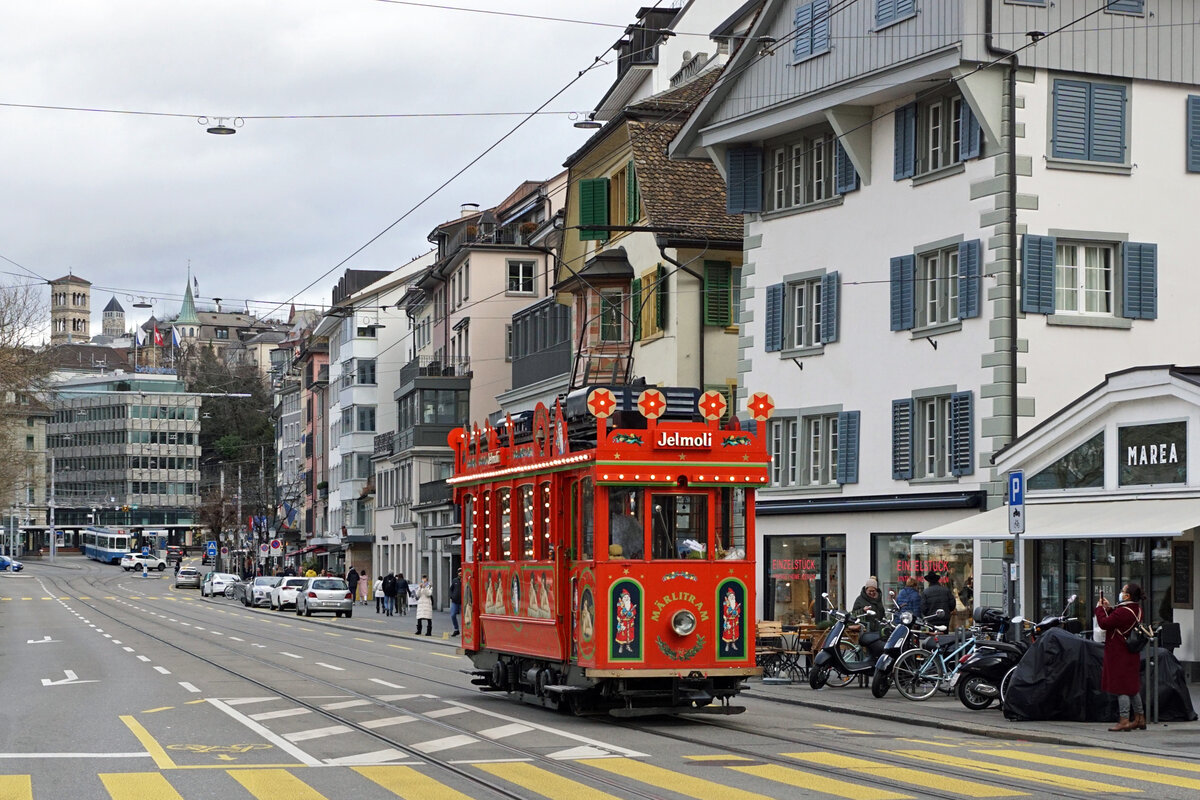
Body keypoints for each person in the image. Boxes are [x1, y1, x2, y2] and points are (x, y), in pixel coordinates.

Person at [1096, 582, 1146, 732]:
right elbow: (1119, 620)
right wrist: (1109, 609)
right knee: (1132, 687)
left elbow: (1104, 623)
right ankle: (1140, 718)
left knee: (1121, 687)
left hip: (1119, 653)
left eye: (1123, 591)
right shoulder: (1137, 609)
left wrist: (1099, 609)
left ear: (1127, 596)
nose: (1121, 593)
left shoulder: (1123, 611)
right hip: (1131, 653)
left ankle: (1124, 720)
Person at [449, 568, 463, 637]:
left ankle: (466, 630)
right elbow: (451, 589)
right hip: (455, 601)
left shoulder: (465, 580)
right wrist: (451, 596)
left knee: (465, 617)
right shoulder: (455, 580)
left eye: (461, 572)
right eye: (459, 572)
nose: (460, 573)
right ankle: (456, 629)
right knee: (453, 615)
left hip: (463, 602)